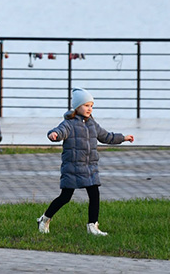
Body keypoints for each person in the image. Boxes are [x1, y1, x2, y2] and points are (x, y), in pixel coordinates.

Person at [37, 88, 133, 236]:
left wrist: (123, 138)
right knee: (65, 197)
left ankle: (92, 226)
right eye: (86, 105)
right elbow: (59, 131)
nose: (89, 109)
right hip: (73, 168)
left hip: (90, 167)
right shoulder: (68, 123)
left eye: (91, 106)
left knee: (94, 194)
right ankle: (44, 219)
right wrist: (53, 135)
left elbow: (107, 136)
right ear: (77, 106)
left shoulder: (92, 124)